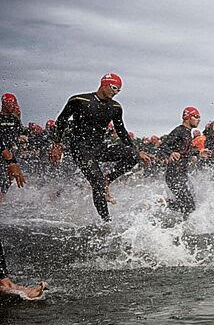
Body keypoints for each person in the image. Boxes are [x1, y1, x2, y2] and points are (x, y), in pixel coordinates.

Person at [50, 73, 152, 221]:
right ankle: (106, 222)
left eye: (119, 90)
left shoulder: (116, 107)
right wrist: (57, 144)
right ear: (104, 84)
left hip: (100, 147)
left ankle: (108, 179)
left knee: (132, 155)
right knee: (96, 183)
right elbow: (61, 120)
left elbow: (121, 131)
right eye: (114, 88)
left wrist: (137, 151)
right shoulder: (79, 100)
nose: (116, 92)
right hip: (81, 149)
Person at [0, 95, 47, 298]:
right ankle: (3, 280)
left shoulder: (16, 120)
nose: (12, 106)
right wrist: (12, 161)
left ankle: (3, 279)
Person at [156, 107, 210, 219]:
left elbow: (186, 150)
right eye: (196, 117)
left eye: (199, 117)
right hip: (174, 175)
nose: (199, 120)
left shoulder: (187, 132)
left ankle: (171, 210)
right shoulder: (179, 131)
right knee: (189, 206)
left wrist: (199, 152)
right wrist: (170, 153)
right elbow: (162, 147)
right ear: (187, 117)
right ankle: (158, 204)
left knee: (191, 201)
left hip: (182, 174)